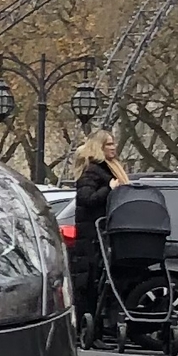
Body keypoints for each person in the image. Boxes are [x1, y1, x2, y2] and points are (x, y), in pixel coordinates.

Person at [69, 130, 131, 342]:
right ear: (99, 148)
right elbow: (87, 198)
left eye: (114, 144)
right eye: (109, 145)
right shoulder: (92, 172)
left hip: (103, 234)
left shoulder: (109, 169)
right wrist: (109, 188)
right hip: (91, 236)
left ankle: (100, 328)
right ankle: (88, 329)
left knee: (100, 282)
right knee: (89, 283)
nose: (114, 148)